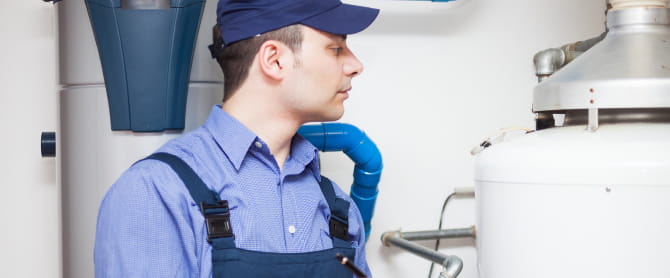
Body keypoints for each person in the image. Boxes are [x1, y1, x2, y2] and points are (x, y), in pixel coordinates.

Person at [94, 0, 380, 277]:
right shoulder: (158, 192)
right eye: (336, 48)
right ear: (274, 59)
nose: (355, 65)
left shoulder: (337, 206)